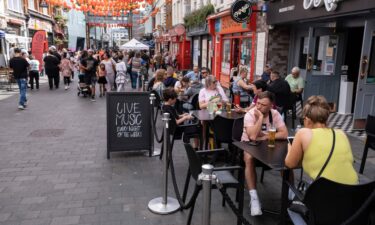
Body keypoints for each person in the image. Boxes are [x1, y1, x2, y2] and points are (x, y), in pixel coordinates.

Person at [285, 95, 358, 184]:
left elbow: (290, 164)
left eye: (302, 119)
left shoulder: (303, 133)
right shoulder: (341, 133)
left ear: (307, 120)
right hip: (355, 192)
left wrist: (289, 146)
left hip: (326, 194)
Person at [241, 91, 288, 216]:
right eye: (258, 103)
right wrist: (260, 118)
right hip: (249, 144)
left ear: (271, 106)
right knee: (249, 158)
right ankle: (254, 198)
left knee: (287, 159)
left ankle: (292, 195)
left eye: (263, 105)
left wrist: (265, 136)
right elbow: (252, 136)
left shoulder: (275, 113)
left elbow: (284, 134)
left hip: (267, 144)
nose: (259, 106)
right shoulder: (250, 114)